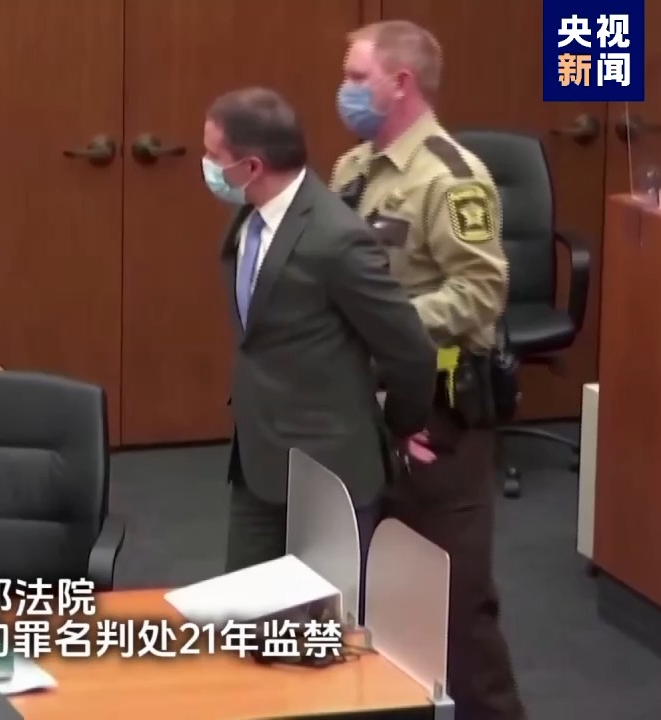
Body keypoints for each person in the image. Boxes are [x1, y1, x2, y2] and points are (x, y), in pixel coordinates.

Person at [328, 20, 525, 720]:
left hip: (439, 413)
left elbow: (480, 293)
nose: (345, 90)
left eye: (357, 77)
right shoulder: (353, 171)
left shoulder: (450, 176)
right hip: (366, 408)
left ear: (400, 82)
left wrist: (388, 323)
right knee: (371, 596)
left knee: (454, 606)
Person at [203, 87, 437, 580]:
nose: (207, 167)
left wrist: (399, 424)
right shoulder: (248, 219)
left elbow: (410, 349)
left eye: (214, 157)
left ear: (251, 166)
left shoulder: (337, 239)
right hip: (258, 460)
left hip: (328, 470)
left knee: (325, 619)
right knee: (242, 611)